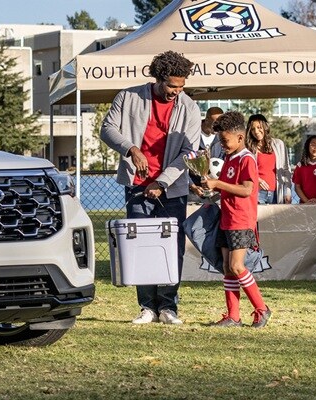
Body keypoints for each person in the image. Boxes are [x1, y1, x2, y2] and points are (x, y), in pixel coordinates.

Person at [99, 51, 200, 325]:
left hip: (172, 188)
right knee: (140, 246)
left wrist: (162, 181)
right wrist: (132, 150)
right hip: (136, 186)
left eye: (181, 87)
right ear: (157, 78)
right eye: (171, 86)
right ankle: (146, 307)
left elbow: (190, 153)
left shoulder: (189, 107)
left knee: (172, 247)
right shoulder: (128, 97)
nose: (176, 92)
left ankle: (169, 307)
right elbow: (107, 129)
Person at [194, 112, 271, 328]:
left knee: (237, 266)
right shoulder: (229, 158)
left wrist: (217, 184)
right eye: (220, 141)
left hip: (241, 220)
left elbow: (247, 190)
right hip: (227, 218)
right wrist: (210, 191)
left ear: (239, 137)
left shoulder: (247, 159)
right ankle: (233, 316)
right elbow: (228, 189)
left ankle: (262, 309)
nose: (222, 145)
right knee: (228, 268)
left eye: (225, 141)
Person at [247, 114, 280, 205]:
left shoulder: (278, 144)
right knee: (258, 219)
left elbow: (285, 170)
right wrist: (258, 180)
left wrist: (287, 192)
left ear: (265, 127)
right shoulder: (248, 148)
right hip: (257, 193)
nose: (256, 131)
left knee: (275, 219)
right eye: (253, 129)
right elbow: (245, 170)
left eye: (259, 127)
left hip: (276, 193)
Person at [292, 135, 316, 205]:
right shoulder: (300, 165)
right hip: (305, 205)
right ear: (307, 146)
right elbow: (297, 187)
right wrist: (307, 201)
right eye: (313, 145)